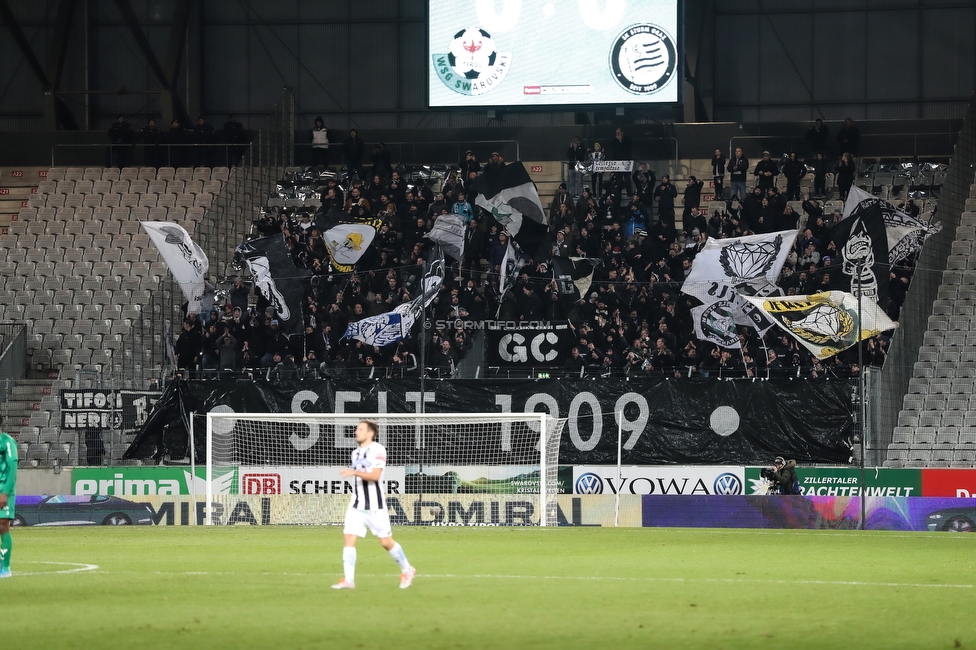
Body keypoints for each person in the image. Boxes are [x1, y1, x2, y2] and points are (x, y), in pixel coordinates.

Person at [332, 420, 416, 590]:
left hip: (375, 506)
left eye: (360, 429)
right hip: (356, 504)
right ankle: (349, 580)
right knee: (349, 538)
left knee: (386, 542)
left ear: (370, 433)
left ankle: (407, 570)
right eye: (357, 428)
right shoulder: (355, 453)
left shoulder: (378, 450)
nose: (356, 431)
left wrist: (354, 472)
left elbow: (375, 475)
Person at [0, 415, 17, 578]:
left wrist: (4, 492)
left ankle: (5, 568)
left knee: (2, 525)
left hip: (4, 489)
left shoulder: (7, 442)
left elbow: (12, 469)